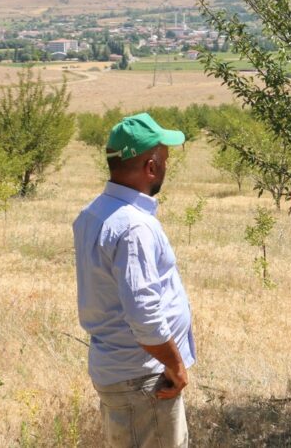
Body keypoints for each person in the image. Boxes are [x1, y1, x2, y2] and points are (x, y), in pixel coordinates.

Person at [72, 113, 194, 448]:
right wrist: (175, 364)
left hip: (121, 372)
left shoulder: (93, 213)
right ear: (150, 167)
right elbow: (144, 314)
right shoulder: (133, 226)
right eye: (165, 160)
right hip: (143, 377)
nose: (167, 167)